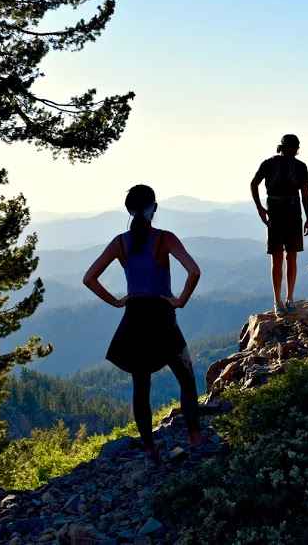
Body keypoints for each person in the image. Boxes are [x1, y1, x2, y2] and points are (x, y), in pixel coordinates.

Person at [82, 184, 203, 460]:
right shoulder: (164, 239)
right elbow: (194, 271)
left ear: (128, 210)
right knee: (185, 376)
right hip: (162, 313)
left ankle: (149, 448)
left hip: (134, 315)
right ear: (154, 208)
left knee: (141, 386)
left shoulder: (120, 243)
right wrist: (181, 299)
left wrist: (116, 301)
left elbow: (89, 278)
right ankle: (195, 436)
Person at [250, 133, 308, 314]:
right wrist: (260, 208)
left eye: (294, 148)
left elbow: (305, 194)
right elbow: (254, 184)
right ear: (284, 147)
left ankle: (288, 299)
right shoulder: (272, 164)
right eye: (292, 147)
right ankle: (280, 301)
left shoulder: (296, 166)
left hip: (287, 211)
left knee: (288, 256)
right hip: (281, 212)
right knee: (280, 257)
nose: (293, 151)